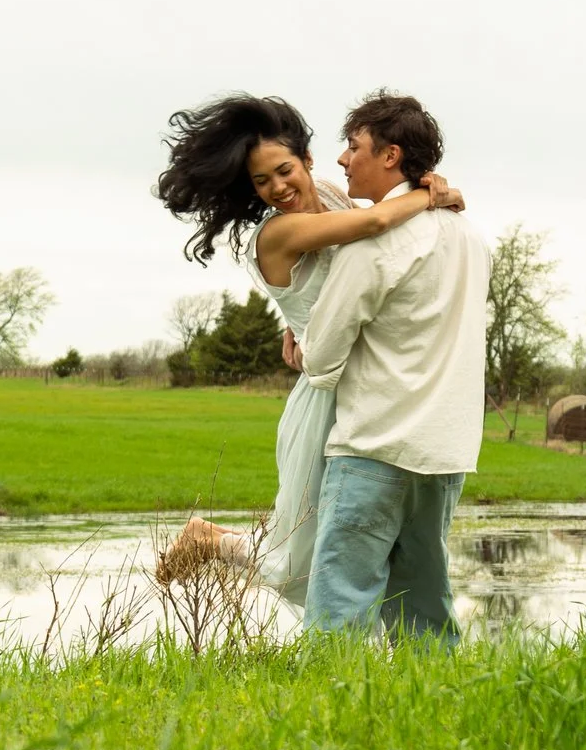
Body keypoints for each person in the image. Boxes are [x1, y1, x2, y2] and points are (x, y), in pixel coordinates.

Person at [153, 93, 461, 605]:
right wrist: (435, 195)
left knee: (357, 550)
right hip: (325, 398)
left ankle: (388, 660)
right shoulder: (277, 232)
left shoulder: (331, 196)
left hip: (367, 386)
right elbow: (376, 225)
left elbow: (361, 263)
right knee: (307, 565)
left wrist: (295, 321)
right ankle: (207, 539)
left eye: (284, 170)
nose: (278, 187)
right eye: (261, 182)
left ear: (308, 161)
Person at [296, 91, 489, 644]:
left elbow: (324, 355)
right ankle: (432, 712)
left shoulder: (370, 247)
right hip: (446, 452)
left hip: (375, 447)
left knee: (342, 605)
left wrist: (302, 343)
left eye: (352, 146)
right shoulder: (472, 237)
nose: (341, 160)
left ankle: (335, 717)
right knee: (426, 604)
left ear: (390, 155)